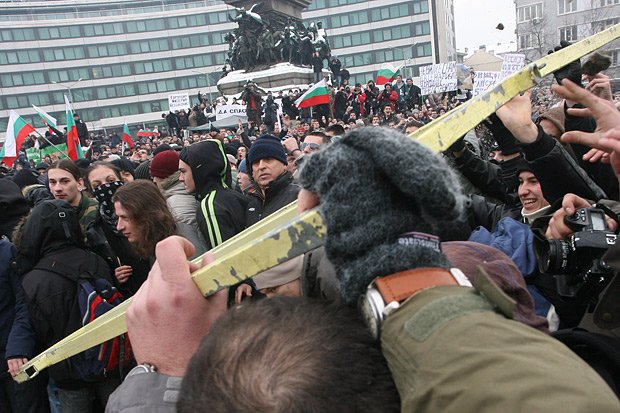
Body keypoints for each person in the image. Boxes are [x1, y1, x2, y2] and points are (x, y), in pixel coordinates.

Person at [14, 200, 120, 412]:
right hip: (108, 359)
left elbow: (35, 327)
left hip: (67, 372)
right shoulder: (96, 260)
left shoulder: (32, 279)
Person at [85, 162, 150, 296]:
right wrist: (115, 278)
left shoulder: (147, 212)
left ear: (121, 180)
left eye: (110, 181)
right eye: (97, 185)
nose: (105, 187)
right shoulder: (96, 230)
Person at [179, 140, 248, 250]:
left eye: (183, 171)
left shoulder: (210, 207)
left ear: (199, 171)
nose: (180, 178)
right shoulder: (231, 193)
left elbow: (223, 257)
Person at [150, 150, 207, 259]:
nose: (153, 180)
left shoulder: (177, 208)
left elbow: (194, 253)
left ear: (164, 177)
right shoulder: (183, 194)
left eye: (155, 175)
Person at [112, 181, 177, 263]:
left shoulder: (176, 246)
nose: (119, 227)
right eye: (118, 218)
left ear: (147, 215)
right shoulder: (152, 248)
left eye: (125, 218)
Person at [245, 135, 299, 226]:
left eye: (268, 159)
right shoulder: (247, 201)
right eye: (256, 162)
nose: (261, 166)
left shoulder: (299, 195)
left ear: (284, 164)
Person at [48, 159, 98, 232]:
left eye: (65, 181)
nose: (58, 188)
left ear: (80, 183)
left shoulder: (98, 212)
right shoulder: (46, 216)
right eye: (53, 182)